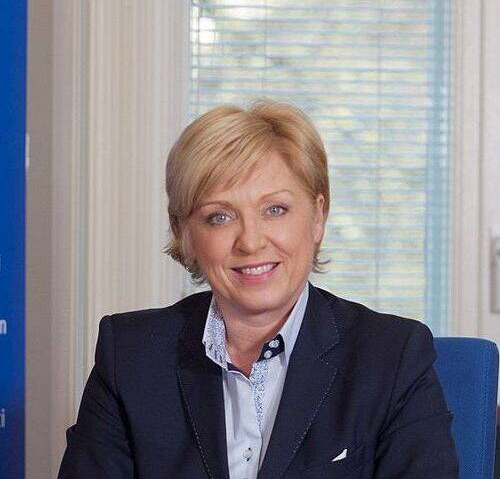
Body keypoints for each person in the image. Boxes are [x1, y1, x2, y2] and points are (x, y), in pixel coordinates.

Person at [58, 99, 459, 478]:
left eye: (275, 210)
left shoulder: (392, 356)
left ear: (317, 216)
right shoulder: (130, 355)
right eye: (220, 216)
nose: (250, 241)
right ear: (185, 233)